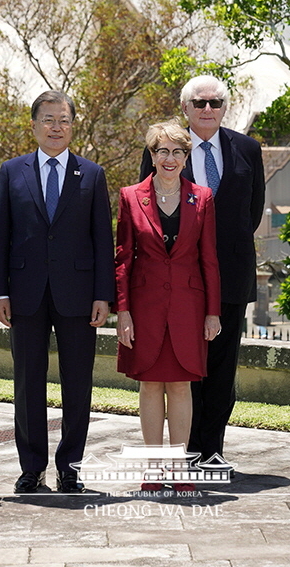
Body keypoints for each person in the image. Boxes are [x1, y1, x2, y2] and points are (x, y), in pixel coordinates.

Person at [0, 90, 114, 495]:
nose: (56, 127)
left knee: (78, 384)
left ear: (73, 126)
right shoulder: (12, 171)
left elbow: (101, 239)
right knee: (28, 384)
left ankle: (70, 468)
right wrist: (0, 291)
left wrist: (103, 294)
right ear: (34, 125)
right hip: (24, 294)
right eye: (48, 119)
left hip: (79, 295)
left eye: (63, 120)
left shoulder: (92, 175)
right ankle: (32, 468)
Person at [138, 76, 265, 467]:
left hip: (229, 277)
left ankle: (211, 451)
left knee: (221, 369)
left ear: (225, 107)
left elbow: (253, 211)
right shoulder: (165, 149)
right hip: (179, 280)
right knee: (183, 366)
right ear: (186, 107)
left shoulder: (247, 148)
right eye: (199, 103)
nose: (207, 109)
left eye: (215, 102)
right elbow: (149, 206)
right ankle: (183, 450)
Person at [118, 120, 222, 492]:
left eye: (178, 151)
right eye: (162, 151)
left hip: (188, 308)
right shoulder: (130, 196)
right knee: (149, 386)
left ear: (186, 157)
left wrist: (213, 312)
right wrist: (123, 311)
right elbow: (123, 259)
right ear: (151, 155)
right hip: (144, 308)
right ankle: (152, 469)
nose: (170, 158)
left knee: (180, 387)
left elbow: (208, 258)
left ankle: (177, 470)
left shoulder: (203, 197)